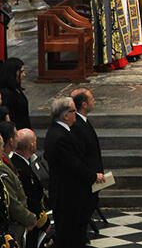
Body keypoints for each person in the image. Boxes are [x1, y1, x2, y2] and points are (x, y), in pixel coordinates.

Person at [44, 97, 104, 248]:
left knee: (75, 232)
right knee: (70, 234)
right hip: (68, 195)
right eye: (73, 111)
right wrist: (93, 176)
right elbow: (74, 164)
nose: (76, 113)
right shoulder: (60, 137)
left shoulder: (61, 131)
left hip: (70, 193)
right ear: (65, 115)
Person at [70, 88, 103, 230]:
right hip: (88, 177)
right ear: (84, 104)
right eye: (91, 99)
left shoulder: (83, 121)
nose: (94, 100)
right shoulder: (77, 125)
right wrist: (92, 175)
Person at [0, 122, 37, 247]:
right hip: (13, 226)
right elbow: (11, 201)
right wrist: (30, 218)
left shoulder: (7, 162)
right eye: (16, 135)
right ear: (10, 141)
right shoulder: (3, 168)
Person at [11, 128, 48, 248]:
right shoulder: (20, 168)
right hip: (29, 222)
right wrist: (43, 221)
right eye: (35, 141)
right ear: (31, 145)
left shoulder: (23, 164)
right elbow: (29, 197)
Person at [0, 60, 30, 130]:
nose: (24, 74)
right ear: (13, 73)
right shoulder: (6, 93)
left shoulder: (16, 89)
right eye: (21, 72)